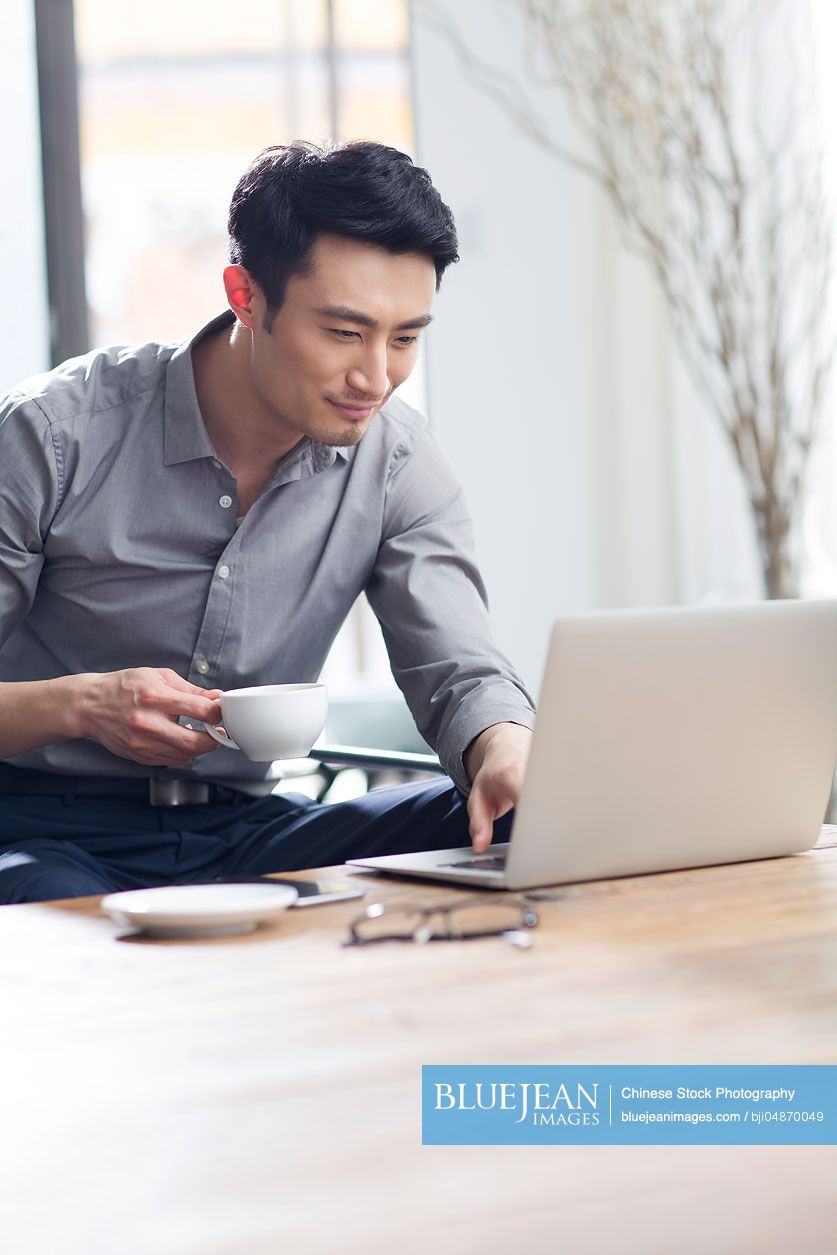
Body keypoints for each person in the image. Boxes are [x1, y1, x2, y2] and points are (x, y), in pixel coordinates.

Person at [0, 140, 535, 905]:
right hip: (39, 829)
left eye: (406, 337)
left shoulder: (397, 462)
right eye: (345, 333)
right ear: (245, 295)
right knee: (41, 906)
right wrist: (80, 705)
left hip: (254, 832)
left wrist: (503, 747)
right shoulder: (53, 436)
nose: (375, 377)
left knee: (522, 822)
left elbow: (461, 672)